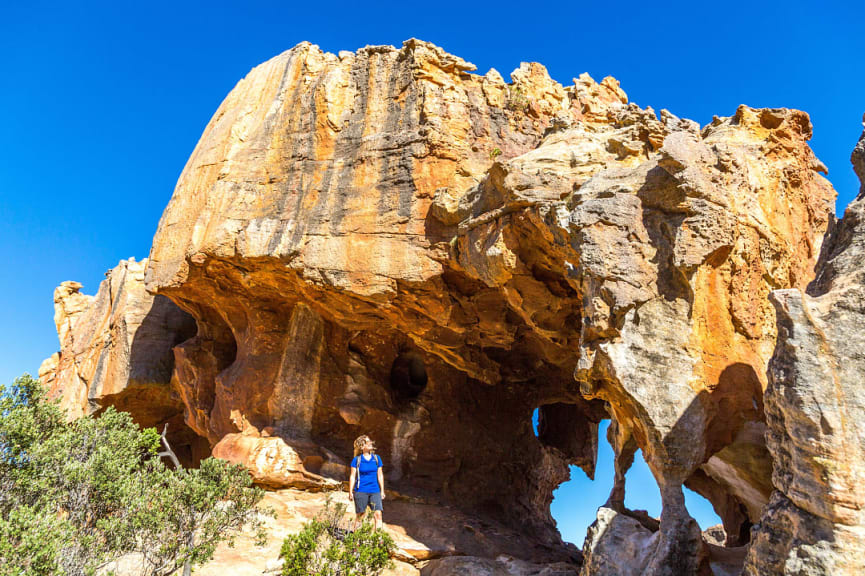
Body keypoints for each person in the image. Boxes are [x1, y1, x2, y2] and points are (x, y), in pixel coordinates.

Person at [348, 434, 385, 530]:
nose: (369, 443)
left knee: (378, 514)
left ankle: (379, 541)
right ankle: (356, 542)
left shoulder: (377, 458)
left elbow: (380, 475)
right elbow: (352, 476)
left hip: (374, 490)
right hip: (361, 490)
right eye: (366, 442)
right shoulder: (357, 460)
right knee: (361, 515)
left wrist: (382, 491)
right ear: (361, 446)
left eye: (369, 441)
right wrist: (350, 491)